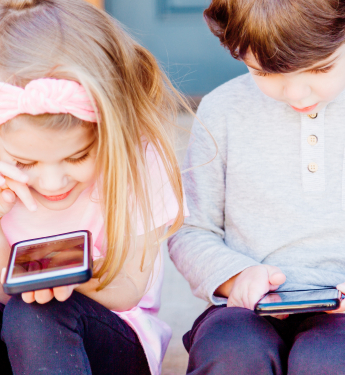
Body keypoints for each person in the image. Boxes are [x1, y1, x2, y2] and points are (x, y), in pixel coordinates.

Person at [0, 0, 188, 374]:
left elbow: (128, 289)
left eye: (77, 157)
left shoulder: (136, 161)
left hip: (109, 340)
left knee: (36, 312)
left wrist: (59, 280)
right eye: (24, 163)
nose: (52, 182)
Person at [167, 0, 345, 374]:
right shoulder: (222, 110)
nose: (297, 93)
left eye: (319, 68)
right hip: (248, 310)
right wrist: (235, 277)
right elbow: (191, 230)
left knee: (326, 361)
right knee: (231, 352)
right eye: (266, 73)